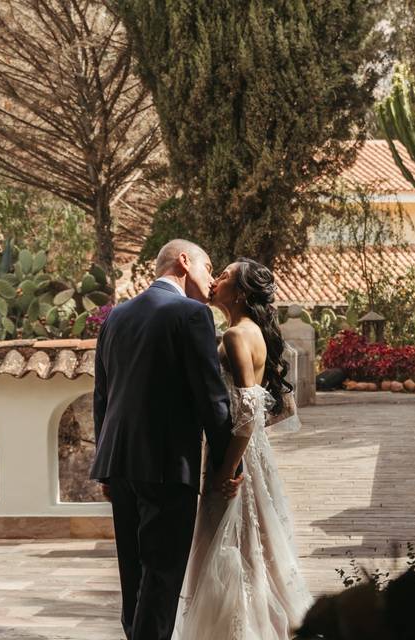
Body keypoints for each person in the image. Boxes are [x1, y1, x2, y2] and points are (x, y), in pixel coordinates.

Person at [90, 239, 242, 640]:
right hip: (167, 464)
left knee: (134, 577)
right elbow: (212, 399)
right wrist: (229, 466)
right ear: (184, 261)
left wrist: (104, 467)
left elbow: (102, 395)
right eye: (208, 268)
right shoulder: (191, 314)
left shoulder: (116, 317)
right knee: (161, 578)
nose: (211, 281)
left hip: (119, 465)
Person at [172, 257, 314, 640]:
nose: (216, 280)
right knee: (253, 545)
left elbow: (250, 408)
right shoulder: (250, 331)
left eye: (224, 276)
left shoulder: (236, 336)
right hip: (250, 450)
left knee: (231, 543)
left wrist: (228, 468)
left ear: (241, 292)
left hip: (235, 454)